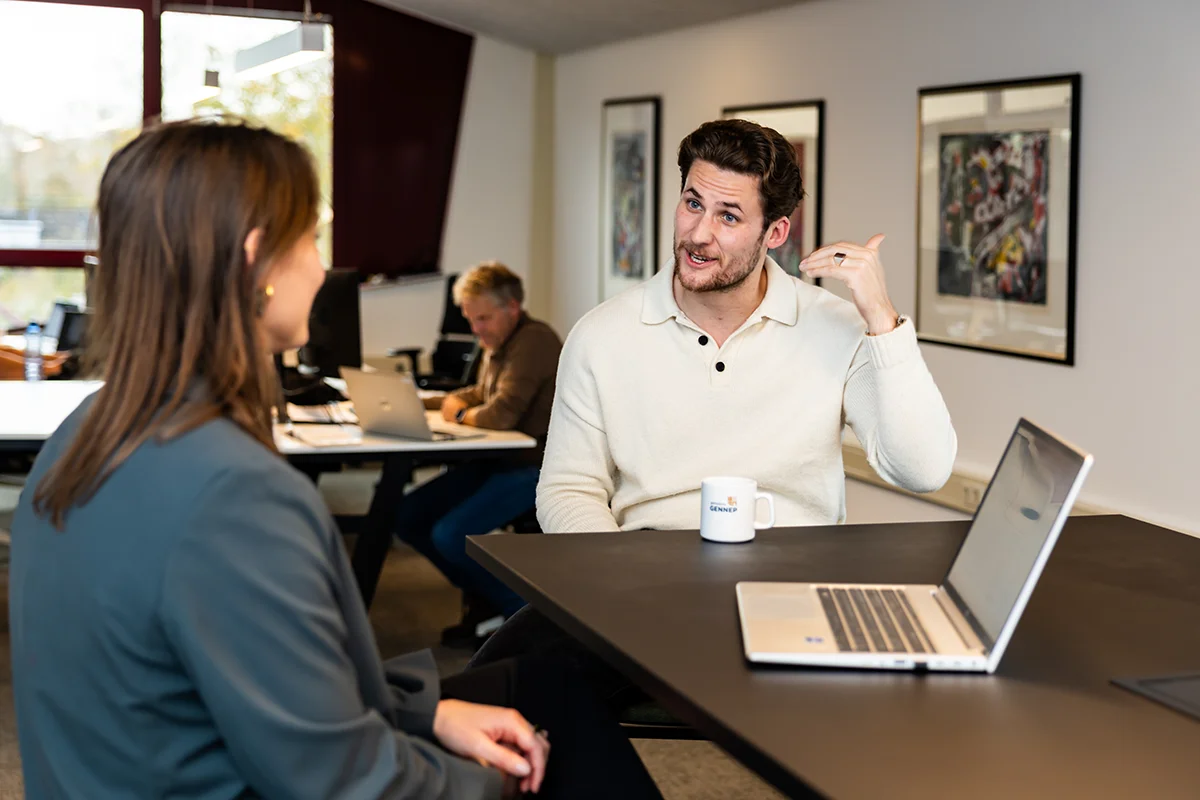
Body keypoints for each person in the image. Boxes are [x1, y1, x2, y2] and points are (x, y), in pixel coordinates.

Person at [7, 119, 661, 800]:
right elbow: (344, 781)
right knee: (558, 735)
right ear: (256, 257)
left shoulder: (80, 437)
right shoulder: (234, 495)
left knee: (545, 681)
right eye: (311, 238)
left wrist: (424, 712)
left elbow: (243, 685)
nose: (321, 268)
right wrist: (490, 784)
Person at [536, 118, 957, 533]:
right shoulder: (601, 336)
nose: (699, 234)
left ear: (775, 233)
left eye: (729, 217)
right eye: (693, 204)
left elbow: (923, 471)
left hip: (796, 569)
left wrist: (882, 319)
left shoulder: (838, 328)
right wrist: (616, 571)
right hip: (646, 565)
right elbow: (568, 490)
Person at [394, 263, 562, 644]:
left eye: (483, 318)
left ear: (512, 308)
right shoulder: (500, 342)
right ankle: (487, 598)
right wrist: (425, 402)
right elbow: (479, 394)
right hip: (498, 460)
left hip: (535, 468)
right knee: (407, 515)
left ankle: (522, 614)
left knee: (450, 535)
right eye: (472, 319)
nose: (476, 329)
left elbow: (499, 414)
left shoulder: (535, 341)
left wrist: (458, 413)